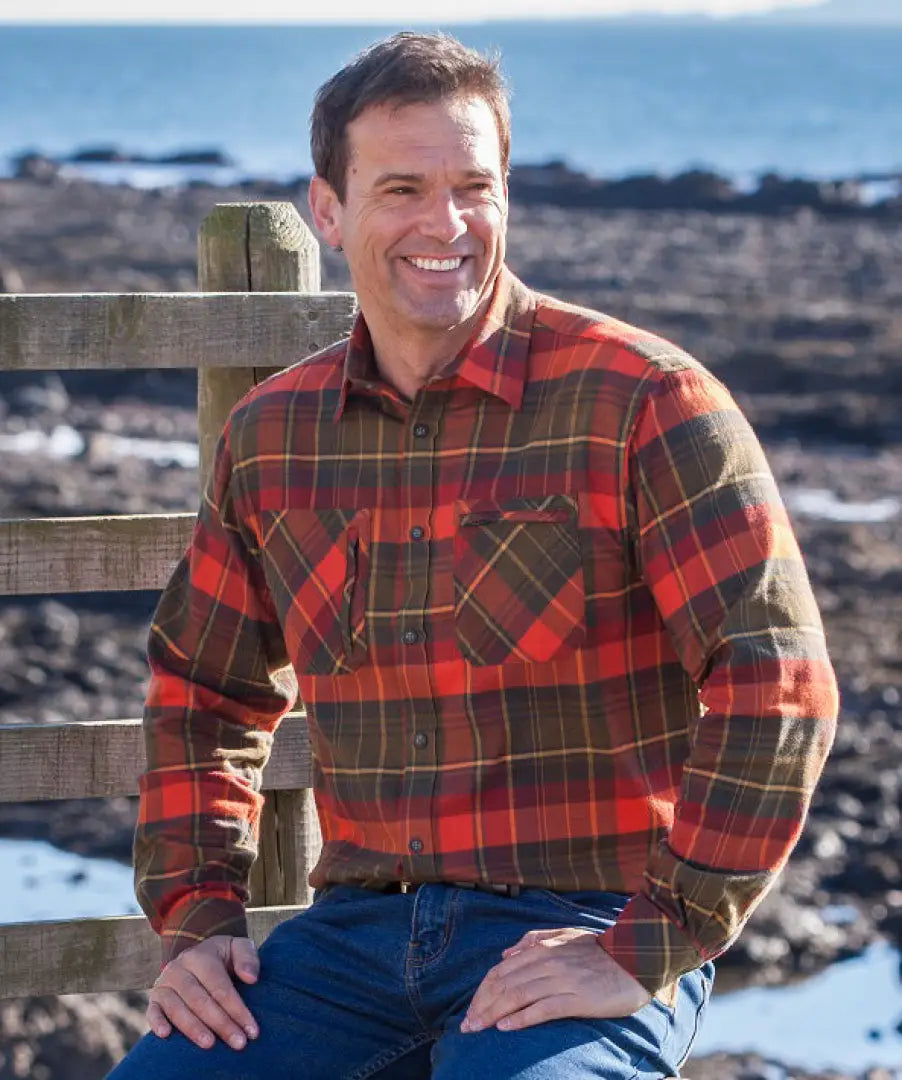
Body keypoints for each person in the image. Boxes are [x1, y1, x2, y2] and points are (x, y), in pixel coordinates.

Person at [108, 31, 838, 1080]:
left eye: (473, 187)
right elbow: (203, 691)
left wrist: (651, 944)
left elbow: (778, 684)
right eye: (401, 187)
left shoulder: (642, 401)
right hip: (348, 941)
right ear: (328, 209)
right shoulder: (272, 436)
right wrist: (199, 917)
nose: (442, 224)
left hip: (578, 930)